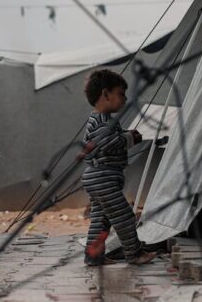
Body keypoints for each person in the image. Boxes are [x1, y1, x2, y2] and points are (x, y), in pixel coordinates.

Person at [81, 69, 156, 266]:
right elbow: (106, 142)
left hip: (98, 178)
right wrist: (130, 138)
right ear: (105, 94)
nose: (124, 99)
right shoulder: (103, 122)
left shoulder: (100, 120)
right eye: (121, 94)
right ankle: (134, 253)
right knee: (125, 217)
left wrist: (125, 134)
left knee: (100, 221)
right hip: (103, 178)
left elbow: (109, 137)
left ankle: (93, 257)